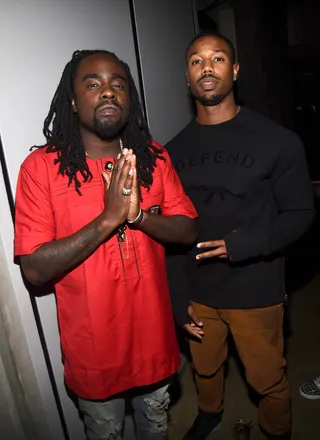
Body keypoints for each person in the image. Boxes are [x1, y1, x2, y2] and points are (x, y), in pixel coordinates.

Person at [14, 49, 198, 440]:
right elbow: (34, 267)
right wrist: (108, 219)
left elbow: (187, 230)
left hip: (155, 341)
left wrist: (138, 217)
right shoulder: (41, 169)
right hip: (94, 353)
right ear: (73, 101)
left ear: (130, 99)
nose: (109, 92)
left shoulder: (154, 158)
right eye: (93, 84)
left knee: (156, 431)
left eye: (118, 84)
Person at [166, 32, 315, 440]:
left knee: (267, 379)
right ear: (187, 76)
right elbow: (173, 234)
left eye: (217, 59)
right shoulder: (172, 152)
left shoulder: (277, 141)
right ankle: (210, 414)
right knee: (205, 367)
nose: (206, 67)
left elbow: (301, 214)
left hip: (256, 289)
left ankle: (277, 432)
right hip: (199, 291)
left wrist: (241, 245)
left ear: (234, 70)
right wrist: (178, 301)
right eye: (197, 60)